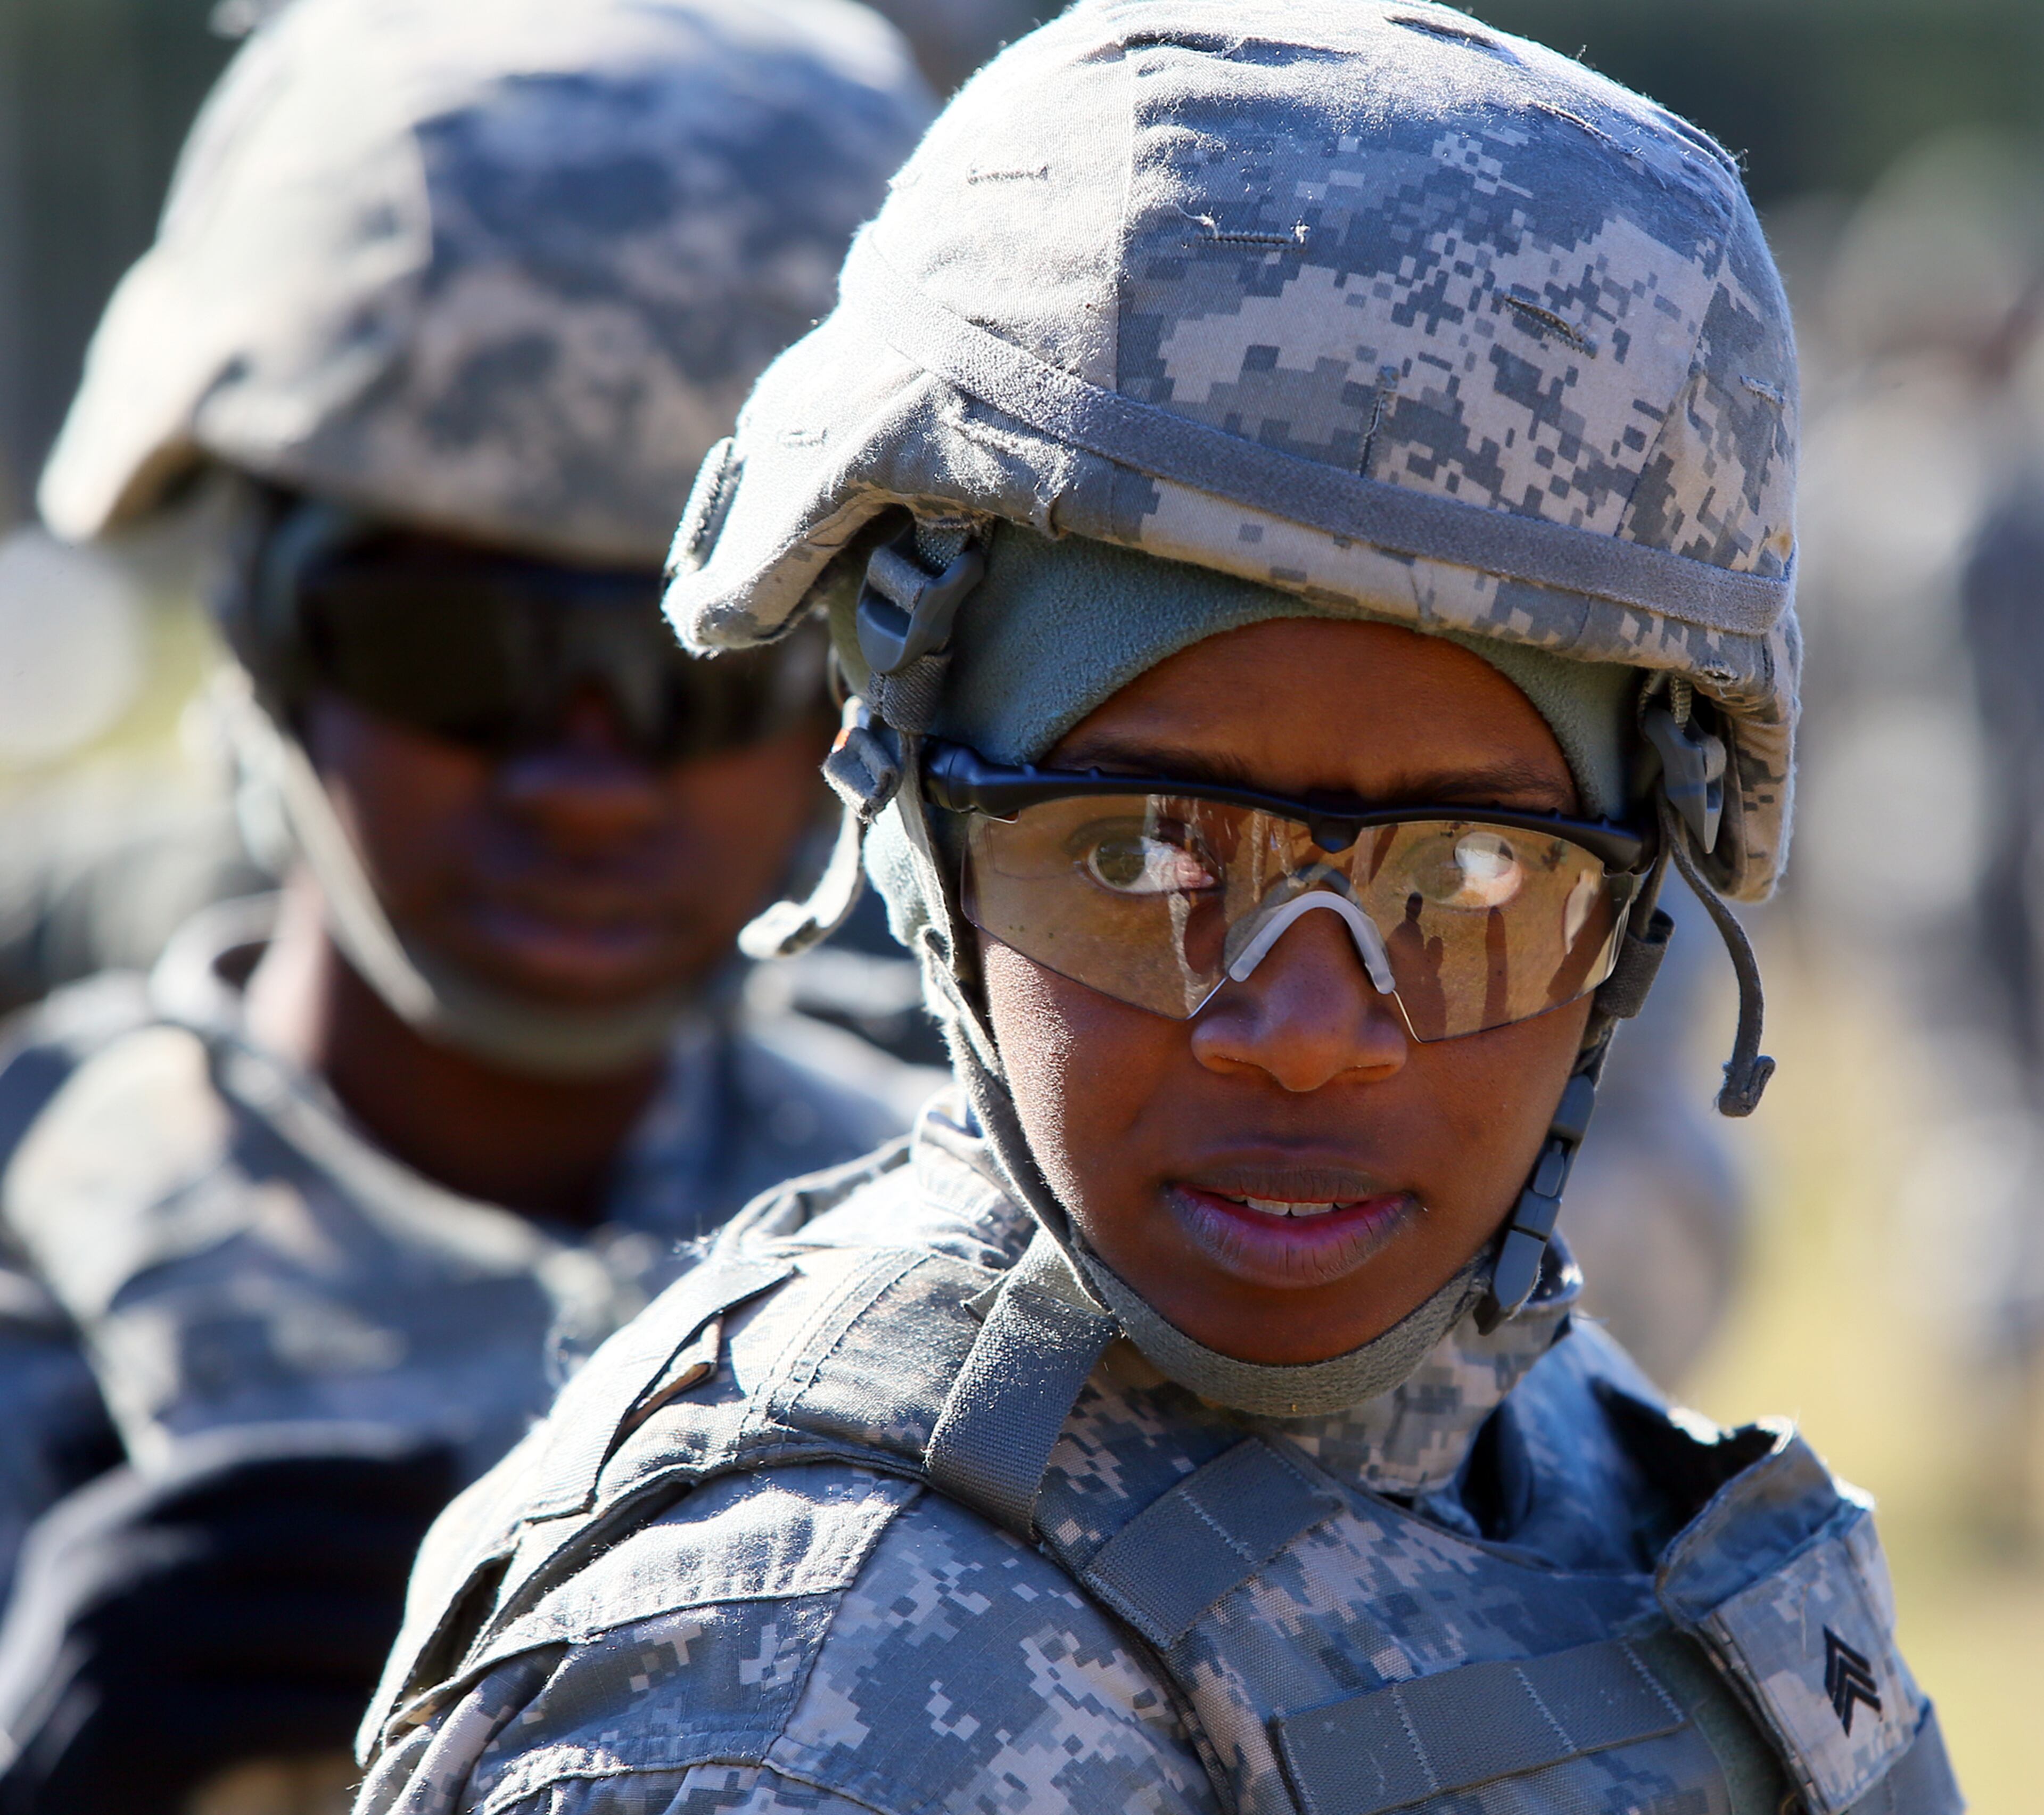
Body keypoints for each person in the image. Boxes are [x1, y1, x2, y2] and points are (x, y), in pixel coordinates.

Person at [352, 4, 1959, 1813]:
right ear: (925, 837)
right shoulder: (793, 1702)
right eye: (1143, 861)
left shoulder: (1539, 1431)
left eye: (1477, 879)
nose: (1309, 1034)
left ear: (1636, 906)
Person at [0, 2, 935, 1809]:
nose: (583, 780)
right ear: (266, 635)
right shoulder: (39, 1256)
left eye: (705, 669)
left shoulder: (974, 1286)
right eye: (454, 646)